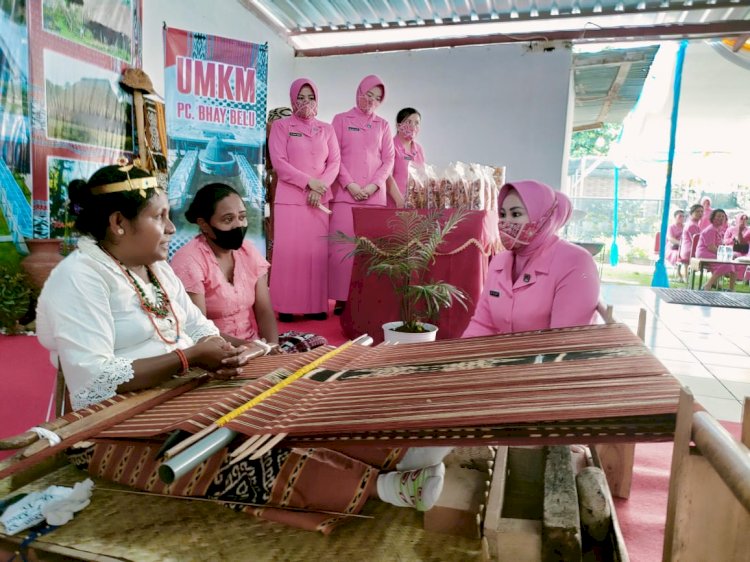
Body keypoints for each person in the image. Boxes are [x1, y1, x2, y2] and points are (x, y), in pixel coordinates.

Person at [35, 163, 448, 534]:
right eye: (160, 218)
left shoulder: (156, 269)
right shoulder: (79, 278)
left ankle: (382, 451)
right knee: (240, 440)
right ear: (119, 223)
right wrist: (191, 357)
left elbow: (198, 328)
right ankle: (380, 482)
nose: (171, 228)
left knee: (292, 393)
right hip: (117, 420)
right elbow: (93, 380)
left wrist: (241, 350)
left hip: (182, 386)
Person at [463, 180, 600, 337]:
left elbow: (565, 342)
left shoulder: (576, 262)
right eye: (502, 215)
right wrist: (460, 358)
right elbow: (482, 324)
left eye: (516, 214)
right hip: (504, 357)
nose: (506, 222)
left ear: (543, 217)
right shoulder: (499, 261)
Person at [268, 79, 341, 322]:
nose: (306, 102)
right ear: (292, 99)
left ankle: (316, 305)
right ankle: (287, 305)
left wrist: (319, 188)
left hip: (319, 200)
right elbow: (279, 162)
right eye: (301, 97)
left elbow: (334, 163)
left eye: (311, 97)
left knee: (315, 253)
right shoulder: (281, 126)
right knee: (289, 253)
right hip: (290, 200)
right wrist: (310, 183)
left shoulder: (327, 129)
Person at [170, 183, 278, 346]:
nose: (238, 225)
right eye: (228, 219)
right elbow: (198, 330)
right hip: (211, 353)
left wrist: (272, 347)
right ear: (204, 224)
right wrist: (250, 348)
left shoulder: (248, 251)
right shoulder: (189, 261)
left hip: (254, 347)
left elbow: (264, 311)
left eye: (242, 217)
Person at [329, 75, 395, 315]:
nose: (372, 101)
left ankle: (365, 296)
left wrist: (374, 186)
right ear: (359, 92)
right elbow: (334, 157)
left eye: (378, 98)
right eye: (369, 95)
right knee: (342, 249)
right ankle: (341, 298)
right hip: (346, 195)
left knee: (368, 250)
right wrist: (350, 185)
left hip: (374, 198)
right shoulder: (341, 120)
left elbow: (388, 160)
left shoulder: (383, 125)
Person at [385, 107, 425, 208]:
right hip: (394, 204)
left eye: (417, 123)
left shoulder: (419, 149)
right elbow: (386, 176)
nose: (413, 126)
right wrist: (399, 200)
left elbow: (422, 177)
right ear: (398, 126)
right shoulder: (391, 146)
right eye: (409, 122)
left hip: (415, 205)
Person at [696, 208, 736, 291]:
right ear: (713, 218)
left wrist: (728, 254)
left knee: (733, 265)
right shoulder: (710, 230)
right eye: (718, 216)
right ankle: (708, 285)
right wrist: (725, 255)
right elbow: (711, 247)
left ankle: (731, 290)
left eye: (723, 216)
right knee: (726, 263)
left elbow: (721, 245)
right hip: (705, 252)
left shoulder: (719, 230)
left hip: (715, 253)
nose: (721, 218)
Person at [667, 209, 686, 282]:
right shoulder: (671, 227)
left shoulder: (685, 227)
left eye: (683, 216)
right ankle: (679, 274)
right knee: (677, 254)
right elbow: (670, 239)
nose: (682, 218)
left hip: (684, 247)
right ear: (675, 217)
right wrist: (680, 243)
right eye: (680, 216)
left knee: (687, 254)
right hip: (673, 248)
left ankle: (686, 275)